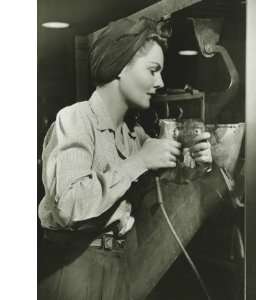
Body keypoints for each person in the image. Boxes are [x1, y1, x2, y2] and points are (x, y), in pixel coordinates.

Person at [38, 17, 213, 300]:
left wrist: (197, 163)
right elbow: (69, 205)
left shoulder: (135, 134)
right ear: (120, 66)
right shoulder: (76, 119)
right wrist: (140, 162)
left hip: (120, 267)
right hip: (73, 270)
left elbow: (167, 200)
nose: (161, 82)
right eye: (153, 70)